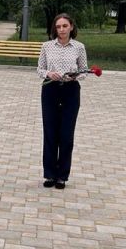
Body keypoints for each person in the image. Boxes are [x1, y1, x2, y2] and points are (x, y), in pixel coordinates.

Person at [37, 13, 88, 190]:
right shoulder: (47, 46)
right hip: (50, 89)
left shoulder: (79, 47)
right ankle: (50, 174)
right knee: (50, 132)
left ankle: (62, 176)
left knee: (66, 134)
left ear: (71, 27)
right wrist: (48, 73)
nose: (61, 30)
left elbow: (84, 70)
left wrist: (75, 76)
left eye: (65, 26)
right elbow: (40, 68)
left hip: (70, 90)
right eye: (58, 27)